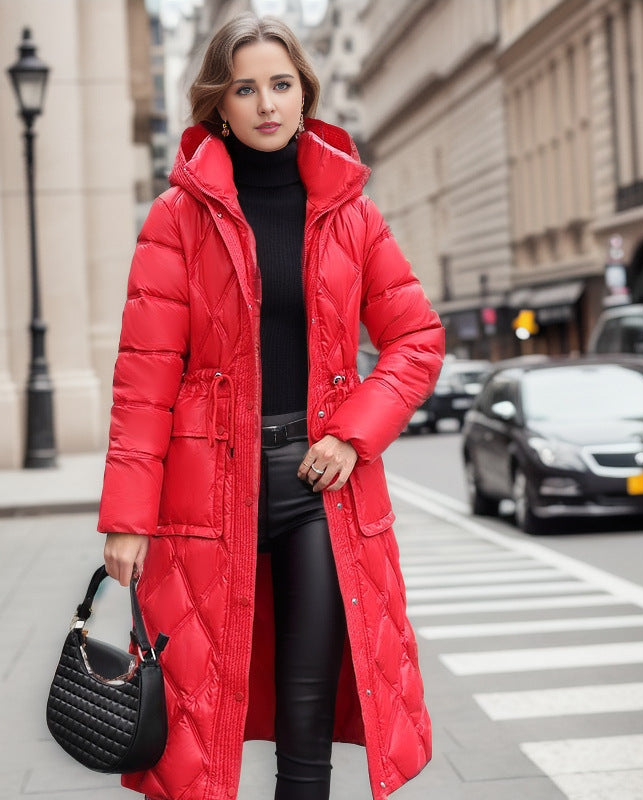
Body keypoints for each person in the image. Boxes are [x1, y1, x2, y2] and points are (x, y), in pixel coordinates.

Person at [98, 13, 444, 800]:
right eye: (246, 88)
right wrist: (126, 514)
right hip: (208, 496)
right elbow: (144, 376)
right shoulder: (176, 218)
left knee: (306, 718)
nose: (266, 104)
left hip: (321, 490)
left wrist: (355, 436)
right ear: (219, 104)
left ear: (304, 94)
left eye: (281, 85)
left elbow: (416, 338)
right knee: (193, 737)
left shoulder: (349, 211)